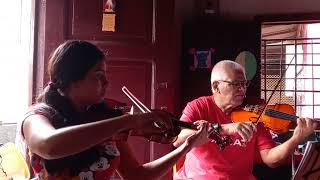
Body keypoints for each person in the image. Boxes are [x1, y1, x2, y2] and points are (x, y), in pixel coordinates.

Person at [18, 40, 210, 180]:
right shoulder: (37, 117)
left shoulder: (104, 119)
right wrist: (129, 121)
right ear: (71, 79)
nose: (106, 82)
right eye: (98, 75)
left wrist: (186, 147)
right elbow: (50, 146)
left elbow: (137, 176)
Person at [173, 60, 318, 180]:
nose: (243, 89)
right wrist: (225, 128)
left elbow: (270, 159)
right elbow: (178, 139)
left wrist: (297, 138)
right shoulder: (198, 106)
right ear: (216, 86)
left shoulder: (254, 114)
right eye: (236, 84)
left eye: (244, 84)